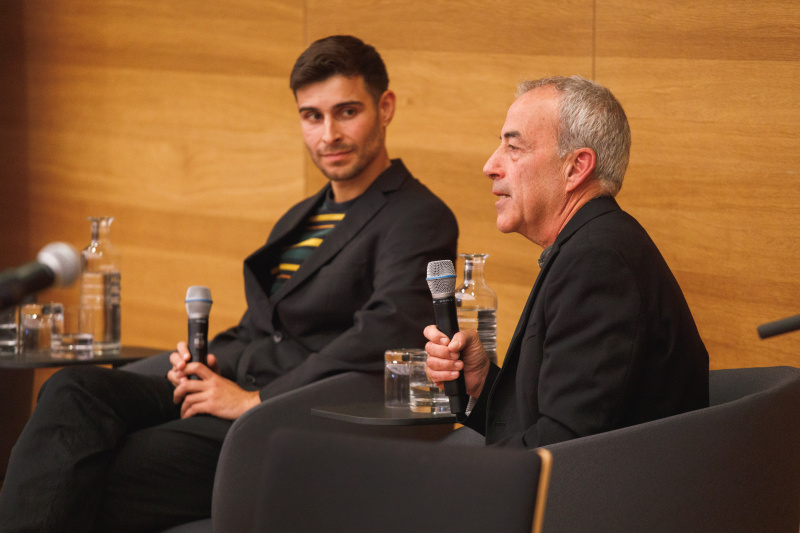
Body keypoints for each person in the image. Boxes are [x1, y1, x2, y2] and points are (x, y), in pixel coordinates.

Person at [0, 35, 458, 532]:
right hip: (237, 375)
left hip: (297, 409)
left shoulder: (418, 215)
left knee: (98, 466)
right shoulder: (299, 218)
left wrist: (254, 402)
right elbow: (258, 326)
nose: (329, 134)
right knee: (70, 390)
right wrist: (203, 359)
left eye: (347, 112)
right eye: (312, 116)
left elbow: (387, 329)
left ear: (385, 107)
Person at [425, 76, 708, 449]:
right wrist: (481, 383)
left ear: (575, 168)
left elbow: (565, 447)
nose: (490, 166)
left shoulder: (599, 262)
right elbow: (563, 418)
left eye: (513, 147)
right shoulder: (593, 244)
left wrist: (468, 476)